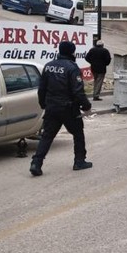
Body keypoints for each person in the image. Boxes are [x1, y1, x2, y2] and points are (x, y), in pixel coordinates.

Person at [30, 41, 93, 177]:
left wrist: (43, 104)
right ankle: (79, 161)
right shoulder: (72, 67)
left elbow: (42, 89)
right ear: (71, 52)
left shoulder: (48, 66)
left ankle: (36, 163)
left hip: (52, 107)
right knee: (78, 134)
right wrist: (86, 106)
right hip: (68, 108)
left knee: (47, 136)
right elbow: (78, 91)